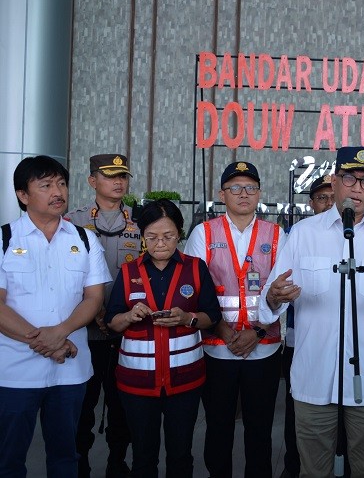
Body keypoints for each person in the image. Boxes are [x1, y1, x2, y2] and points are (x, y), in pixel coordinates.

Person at [259, 146, 364, 478]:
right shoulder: (302, 235)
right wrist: (274, 298)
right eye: (350, 178)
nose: (357, 188)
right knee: (312, 471)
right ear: (335, 182)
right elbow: (269, 299)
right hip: (313, 379)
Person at [0, 155, 111, 477]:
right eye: (46, 185)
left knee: (66, 457)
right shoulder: (5, 239)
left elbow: (94, 298)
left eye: (61, 184)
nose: (57, 191)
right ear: (23, 195)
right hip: (14, 372)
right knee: (9, 459)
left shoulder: (83, 239)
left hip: (70, 371)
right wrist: (48, 343)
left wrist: (59, 332)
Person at [105, 199, 221, 478]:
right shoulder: (129, 271)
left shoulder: (195, 268)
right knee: (143, 455)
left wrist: (187, 318)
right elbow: (112, 321)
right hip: (137, 383)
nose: (160, 243)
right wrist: (130, 316)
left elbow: (212, 316)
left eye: (168, 236)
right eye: (152, 237)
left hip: (185, 381)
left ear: (180, 234)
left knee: (180, 454)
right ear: (142, 236)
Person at [184, 161, 284, 478]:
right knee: (218, 426)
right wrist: (226, 332)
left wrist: (255, 331)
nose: (244, 193)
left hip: (264, 347)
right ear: (221, 194)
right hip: (216, 348)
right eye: (235, 187)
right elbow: (196, 292)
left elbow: (284, 291)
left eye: (250, 187)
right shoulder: (203, 233)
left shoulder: (278, 234)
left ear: (259, 193)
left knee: (260, 427)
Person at [65, 154, 140, 478]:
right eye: (110, 176)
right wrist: (90, 310)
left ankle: (116, 462)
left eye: (122, 175)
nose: (118, 182)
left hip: (126, 334)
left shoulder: (140, 223)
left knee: (123, 405)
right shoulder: (71, 222)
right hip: (83, 333)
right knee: (82, 403)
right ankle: (79, 461)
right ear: (92, 181)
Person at [279, 174, 335, 478]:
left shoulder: (349, 235)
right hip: (299, 338)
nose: (327, 203)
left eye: (331, 197)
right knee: (298, 409)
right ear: (310, 203)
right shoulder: (296, 234)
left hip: (341, 341)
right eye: (321, 198)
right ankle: (293, 465)